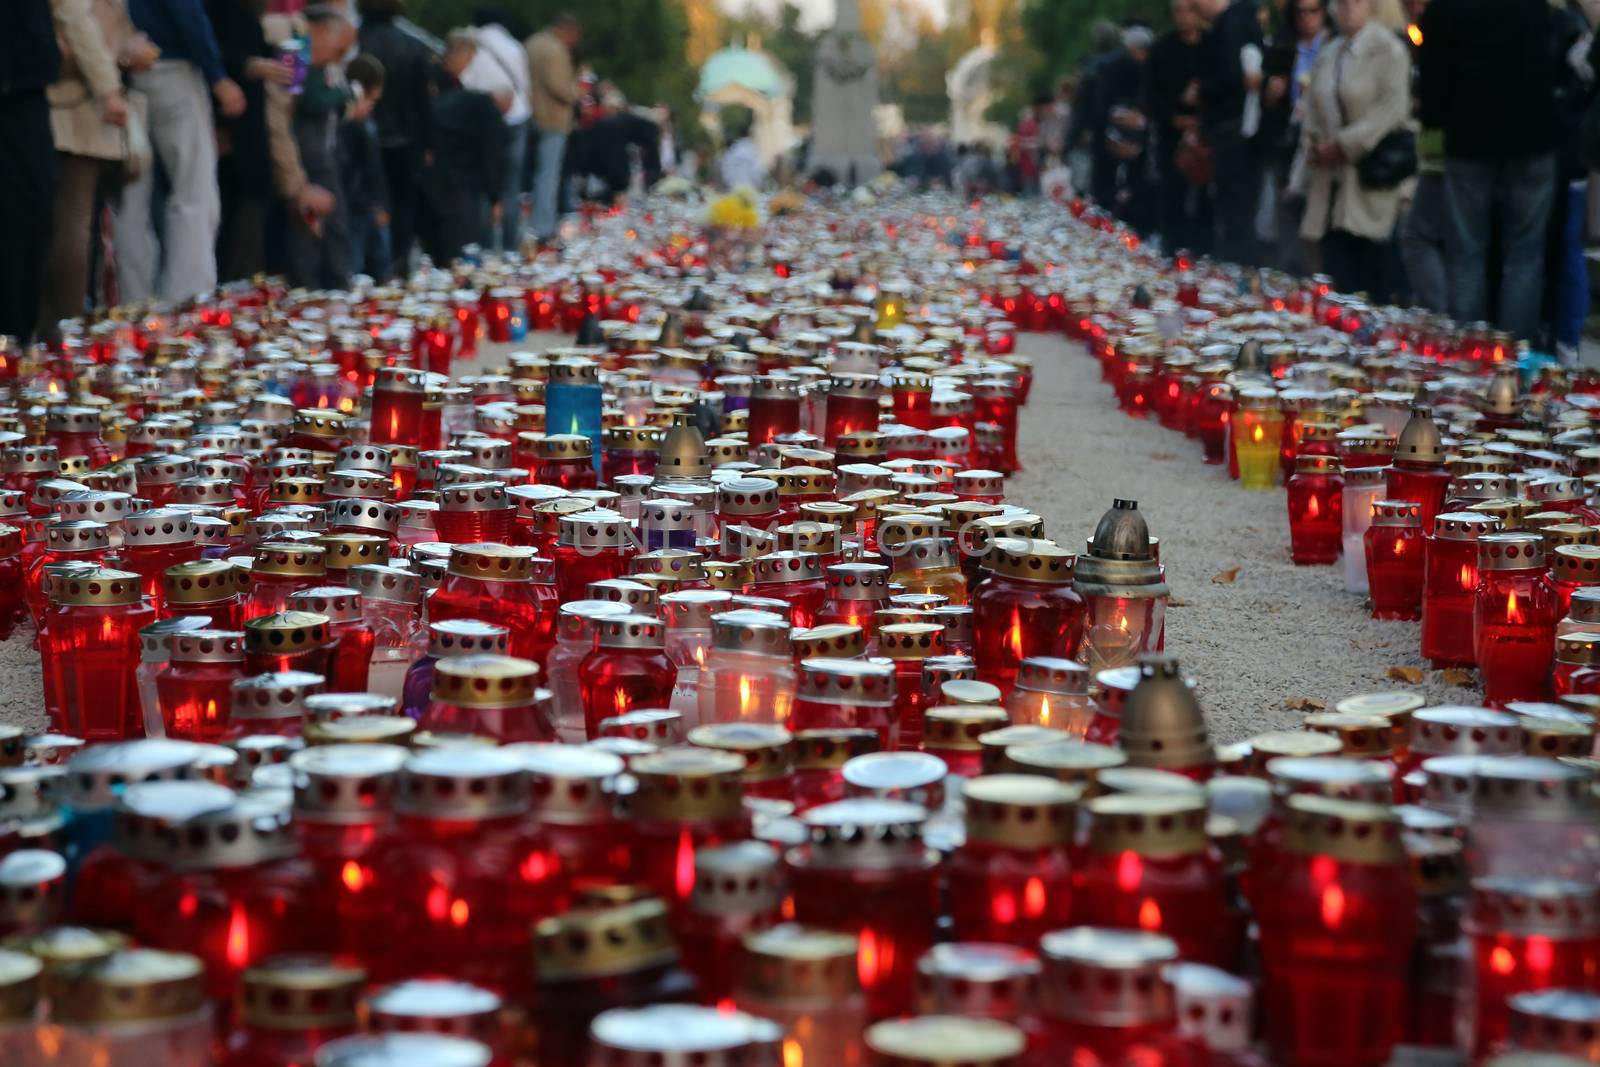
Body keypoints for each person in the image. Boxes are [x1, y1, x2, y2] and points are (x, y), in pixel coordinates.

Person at [1419, 0, 1557, 339]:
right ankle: (1512, 355)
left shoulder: (1448, 8)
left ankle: (1469, 354)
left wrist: (1435, 122)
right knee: (1524, 254)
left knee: (1466, 251)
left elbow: (1433, 77)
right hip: (1532, 135)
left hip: (1470, 138)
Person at [115, 0, 245, 301]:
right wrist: (217, 76)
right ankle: (188, 296)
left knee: (129, 196)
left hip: (124, 71)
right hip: (172, 69)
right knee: (194, 191)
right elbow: (186, 12)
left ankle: (132, 302)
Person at [38, 0, 149, 340]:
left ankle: (59, 326)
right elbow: (80, 26)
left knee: (70, 223)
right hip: (76, 106)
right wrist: (110, 88)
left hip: (77, 104)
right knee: (72, 222)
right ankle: (64, 328)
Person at [1295, 0, 1412, 300]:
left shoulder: (1388, 50)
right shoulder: (1330, 51)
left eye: (1355, 2)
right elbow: (1312, 109)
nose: (1348, 8)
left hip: (1369, 177)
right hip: (1330, 181)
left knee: (1372, 273)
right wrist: (1314, 145)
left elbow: (1391, 111)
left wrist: (1345, 144)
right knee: (1335, 273)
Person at [210, 0, 325, 283]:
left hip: (249, 150)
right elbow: (275, 116)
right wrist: (296, 187)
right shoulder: (229, 15)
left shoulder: (252, 19)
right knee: (238, 243)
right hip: (240, 148)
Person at [357, 0, 436, 277]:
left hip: (365, 133)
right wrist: (427, 142)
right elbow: (422, 100)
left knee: (367, 199)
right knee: (403, 203)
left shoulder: (356, 41)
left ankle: (371, 265)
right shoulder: (412, 45)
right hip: (405, 137)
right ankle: (397, 262)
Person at [417, 30, 507, 265]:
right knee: (459, 241)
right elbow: (490, 150)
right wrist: (494, 194)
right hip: (454, 174)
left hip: (432, 171)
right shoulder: (462, 96)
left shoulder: (445, 86)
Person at [285, 4, 356, 289]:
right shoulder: (299, 58)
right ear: (321, 31)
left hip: (320, 154)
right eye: (338, 45)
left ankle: (331, 282)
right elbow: (312, 101)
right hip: (308, 157)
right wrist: (341, 96)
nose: (338, 52)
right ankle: (317, 286)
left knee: (330, 224)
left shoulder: (321, 67)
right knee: (316, 225)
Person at [1258, 0, 1328, 272]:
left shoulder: (1333, 47)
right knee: (1286, 205)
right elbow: (1265, 81)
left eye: (1313, 11)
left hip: (1319, 139)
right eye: (1300, 12)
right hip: (1287, 135)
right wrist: (1271, 88)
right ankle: (1291, 270)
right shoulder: (1285, 45)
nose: (1307, 18)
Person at [1195, 0, 1267, 266]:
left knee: (1236, 210)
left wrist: (1202, 91)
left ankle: (1239, 273)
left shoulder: (1231, 25)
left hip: (1233, 130)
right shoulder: (1236, 23)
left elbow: (1230, 77)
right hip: (1235, 128)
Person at [1148, 0, 1212, 255]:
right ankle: (1172, 253)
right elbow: (1151, 94)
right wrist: (1174, 119)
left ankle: (1204, 255)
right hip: (1171, 135)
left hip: (1208, 137)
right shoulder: (1162, 49)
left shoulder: (1212, 44)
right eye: (1178, 10)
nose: (1184, 16)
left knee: (1207, 200)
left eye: (1189, 9)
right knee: (1172, 196)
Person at [463, 8, 530, 251]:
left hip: (481, 122)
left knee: (485, 184)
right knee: (511, 186)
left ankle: (484, 245)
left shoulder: (472, 45)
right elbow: (525, 85)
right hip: (517, 116)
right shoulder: (515, 47)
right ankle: (511, 246)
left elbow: (467, 83)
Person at [524, 12, 580, 246]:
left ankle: (533, 225)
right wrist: (577, 93)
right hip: (553, 118)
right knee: (549, 175)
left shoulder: (532, 43)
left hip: (531, 114)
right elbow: (559, 87)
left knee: (534, 175)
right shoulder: (556, 50)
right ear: (568, 30)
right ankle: (543, 227)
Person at [340, 53, 390, 278]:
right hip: (359, 202)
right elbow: (371, 167)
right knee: (363, 261)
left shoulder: (353, 121)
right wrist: (380, 203)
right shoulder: (358, 124)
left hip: (358, 200)